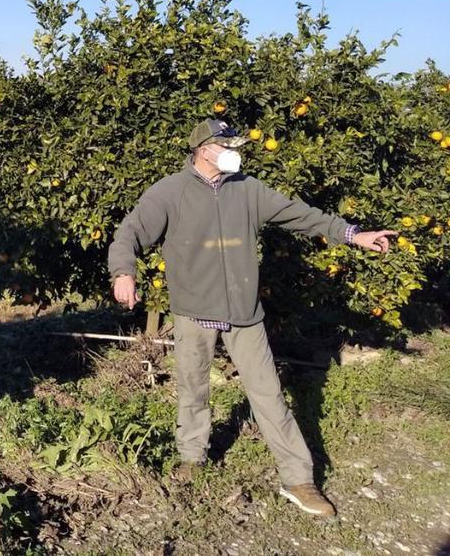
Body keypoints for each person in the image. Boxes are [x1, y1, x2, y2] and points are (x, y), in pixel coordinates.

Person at [106, 118, 397, 517]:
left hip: (244, 312)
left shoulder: (249, 189)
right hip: (194, 311)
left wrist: (352, 234)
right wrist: (124, 272)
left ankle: (298, 479)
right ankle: (192, 459)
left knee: (269, 394)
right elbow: (130, 232)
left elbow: (302, 215)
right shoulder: (169, 192)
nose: (235, 151)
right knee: (193, 390)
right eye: (227, 145)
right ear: (205, 150)